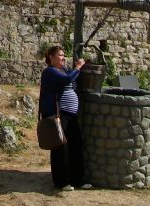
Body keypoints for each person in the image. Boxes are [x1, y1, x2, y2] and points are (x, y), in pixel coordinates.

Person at [39, 45, 92, 192]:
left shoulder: (64, 70)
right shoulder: (50, 72)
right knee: (59, 147)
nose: (63, 58)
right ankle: (61, 182)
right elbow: (67, 79)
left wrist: (80, 68)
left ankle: (77, 179)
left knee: (76, 144)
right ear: (51, 57)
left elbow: (73, 80)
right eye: (60, 55)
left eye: (64, 55)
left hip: (71, 114)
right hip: (59, 114)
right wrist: (78, 67)